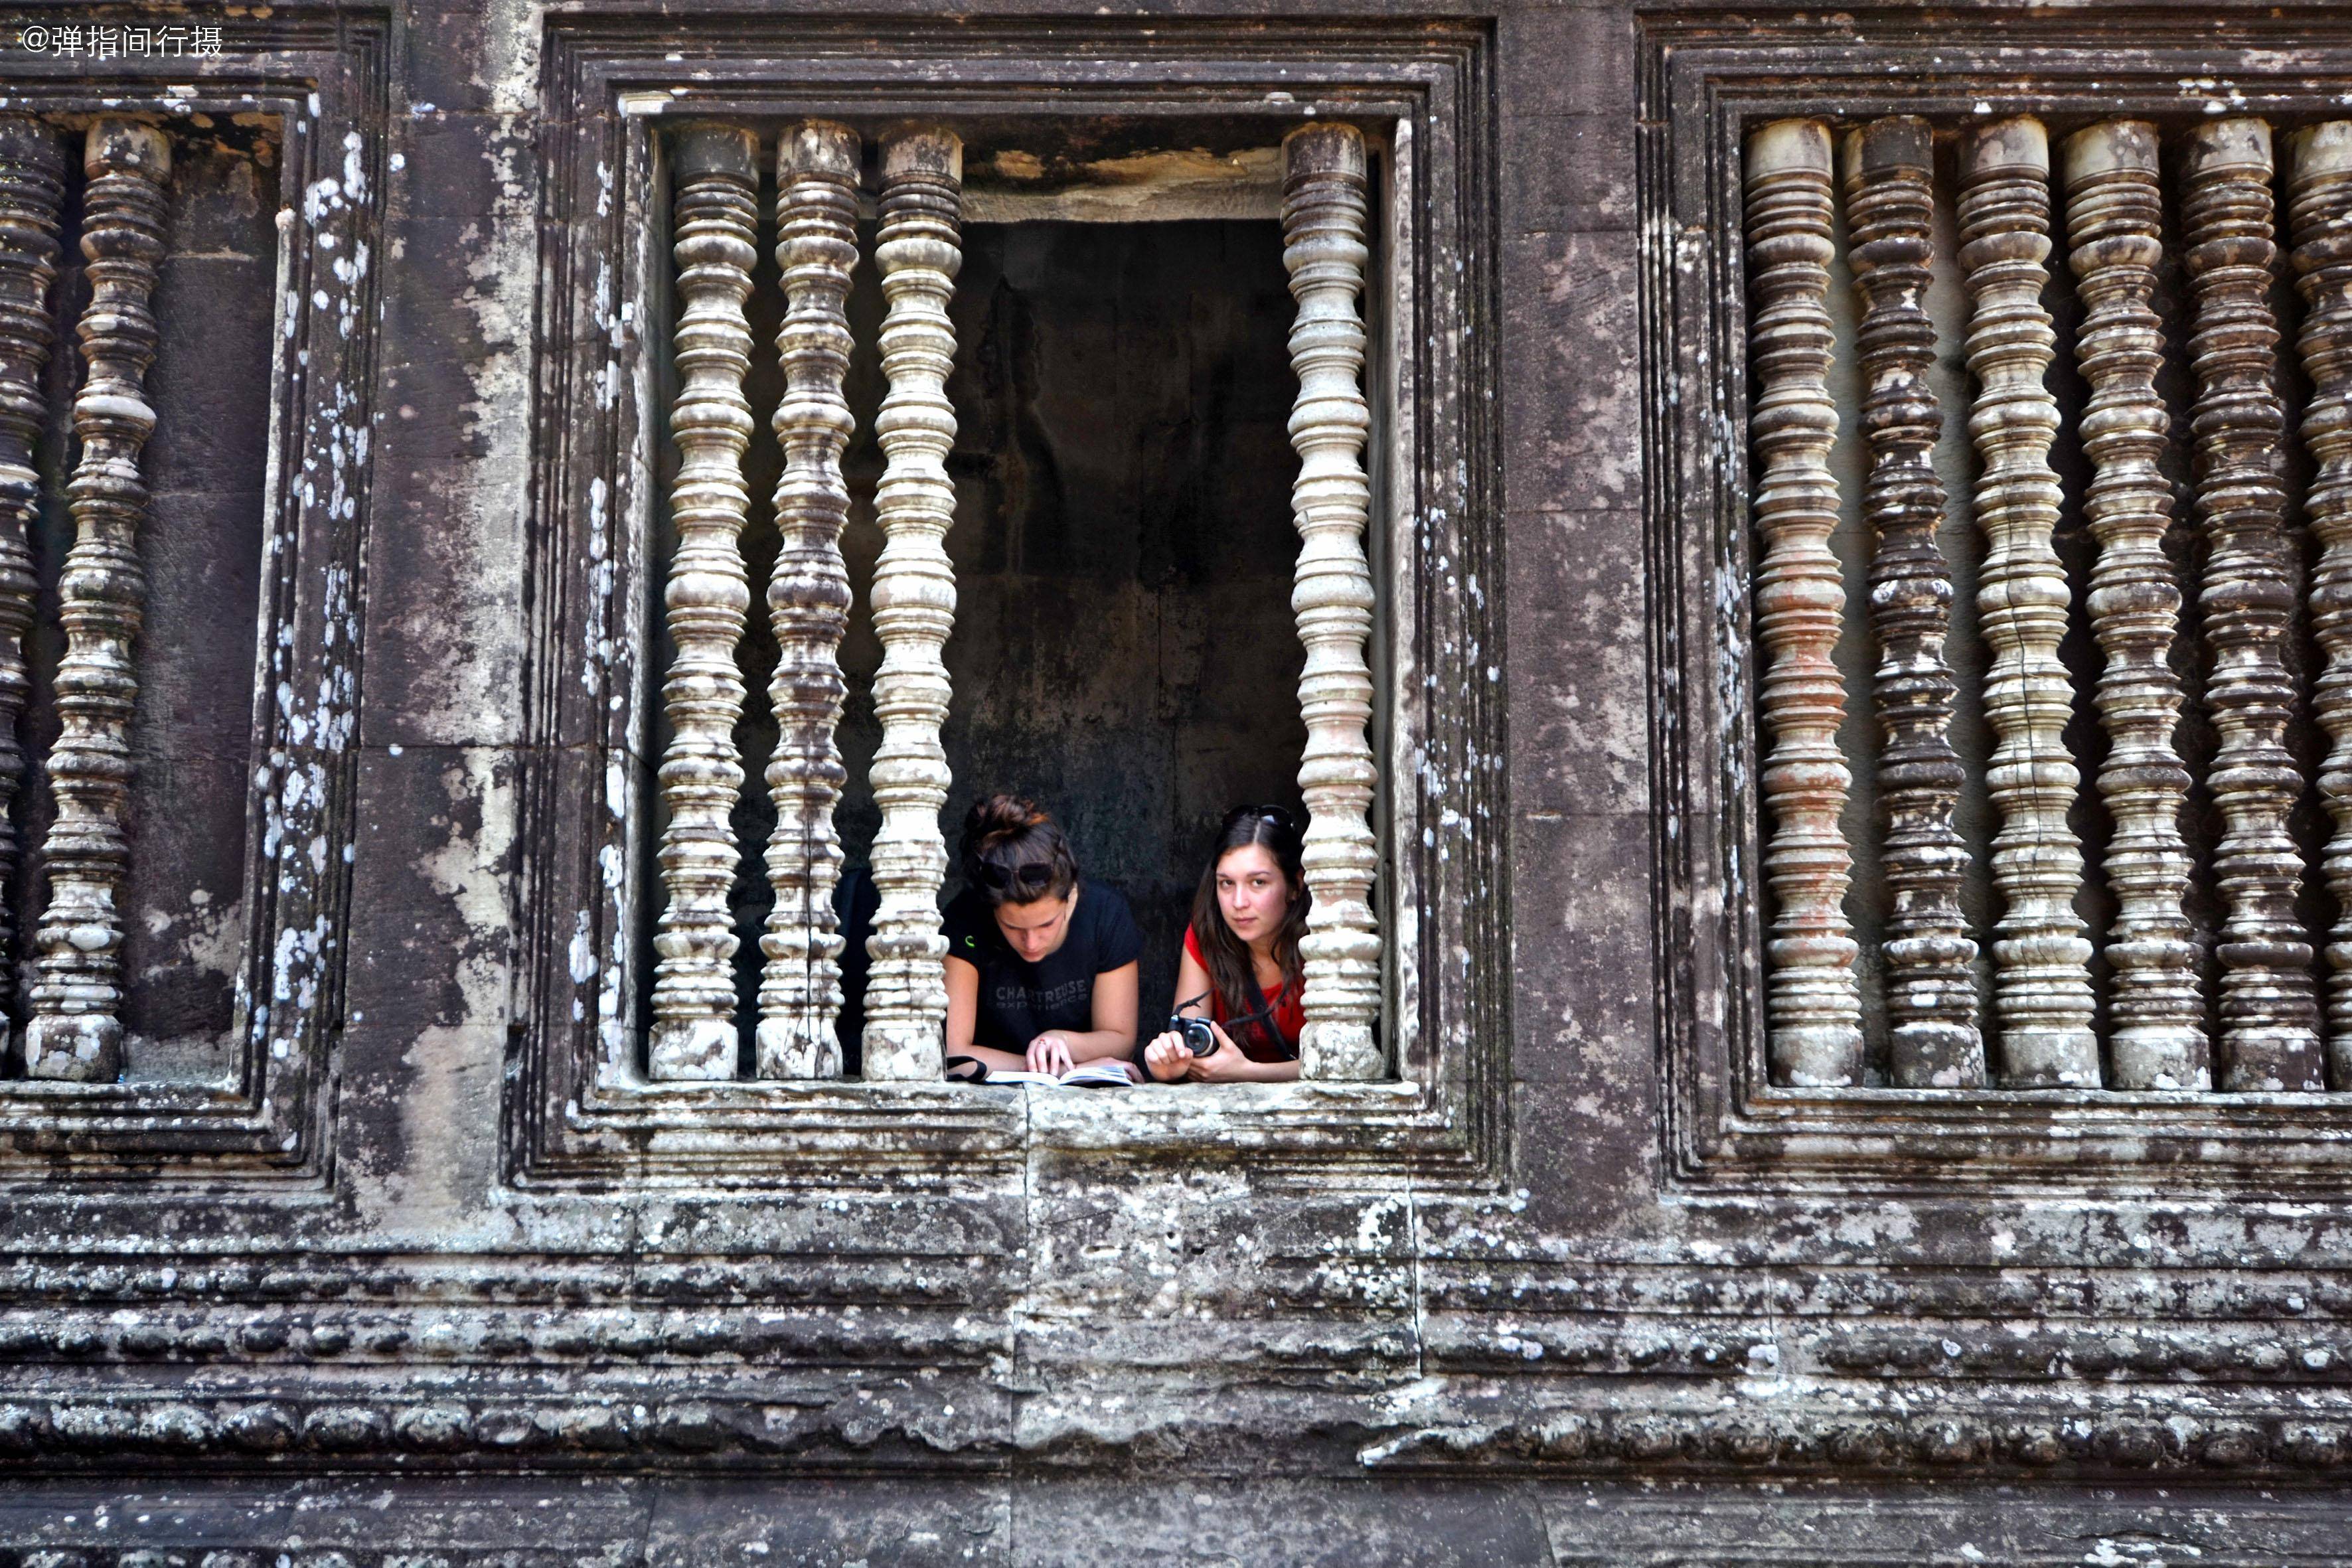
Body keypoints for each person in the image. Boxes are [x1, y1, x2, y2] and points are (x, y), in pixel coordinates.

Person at [943, 794, 1142, 1079]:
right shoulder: (966, 918)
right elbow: (955, 1054)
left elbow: (1121, 1039)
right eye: (1013, 928)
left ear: (1069, 894)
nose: (1032, 943)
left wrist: (1061, 1041)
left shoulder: (1104, 913)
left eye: (1047, 925)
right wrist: (1049, 1069)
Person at [1142, 805, 1308, 1083]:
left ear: (1295, 886)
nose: (1239, 902)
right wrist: (1170, 1065)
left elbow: (1345, 1063)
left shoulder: (1322, 942)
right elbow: (1189, 1041)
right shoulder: (1207, 935)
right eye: (1227, 883)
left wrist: (1251, 1074)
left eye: (1258, 882)